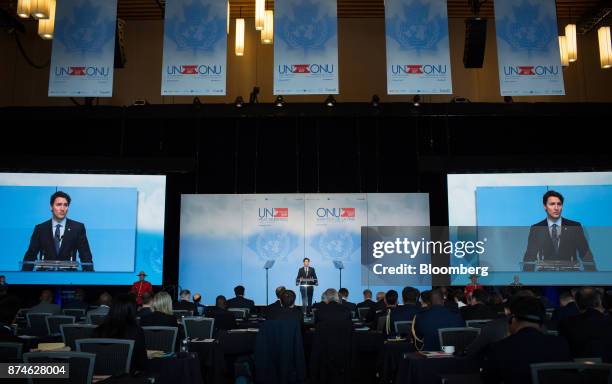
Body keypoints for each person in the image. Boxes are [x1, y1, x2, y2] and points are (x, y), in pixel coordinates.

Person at [481, 296, 571, 384]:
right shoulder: (561, 344)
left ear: (513, 319)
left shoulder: (499, 348)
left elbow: (488, 380)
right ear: (542, 322)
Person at [523, 190, 596, 271]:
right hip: (545, 276)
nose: (556, 208)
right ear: (545, 206)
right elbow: (529, 257)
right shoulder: (537, 228)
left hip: (570, 276)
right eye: (552, 204)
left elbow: (586, 255)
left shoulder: (574, 226)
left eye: (559, 204)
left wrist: (593, 279)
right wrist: (526, 280)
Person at [22, 191, 93, 271]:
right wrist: (23, 277)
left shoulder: (77, 228)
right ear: (51, 207)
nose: (62, 209)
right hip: (44, 277)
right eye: (58, 205)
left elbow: (86, 256)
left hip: (69, 277)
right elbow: (31, 255)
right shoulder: (40, 229)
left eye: (65, 205)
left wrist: (91, 279)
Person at [92, 293, 148, 373]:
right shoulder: (136, 332)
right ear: (132, 310)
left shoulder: (98, 330)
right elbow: (142, 364)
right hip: (127, 378)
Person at [558, 287, 612, 359]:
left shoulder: (565, 323)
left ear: (577, 304)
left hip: (575, 367)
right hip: (607, 367)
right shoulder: (608, 321)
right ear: (599, 302)